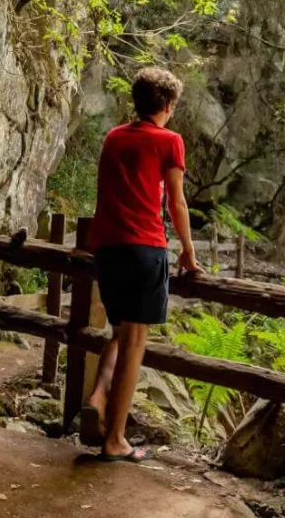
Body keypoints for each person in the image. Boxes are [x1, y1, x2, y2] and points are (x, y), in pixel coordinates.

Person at [81, 67, 200, 463]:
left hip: (107, 248)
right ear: (168, 105)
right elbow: (176, 202)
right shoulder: (170, 141)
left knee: (118, 333)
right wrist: (188, 251)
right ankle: (115, 439)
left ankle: (98, 398)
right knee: (135, 344)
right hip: (144, 247)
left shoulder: (114, 136)